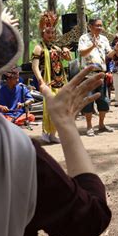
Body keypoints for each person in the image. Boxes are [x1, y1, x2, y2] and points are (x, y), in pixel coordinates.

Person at [0, 0, 111, 236]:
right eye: (48, 28)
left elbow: (67, 48)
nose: (51, 31)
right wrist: (64, 121)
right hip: (49, 82)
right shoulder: (10, 155)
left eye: (53, 27)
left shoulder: (58, 45)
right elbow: (89, 219)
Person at [32, 11, 71, 143]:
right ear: (43, 33)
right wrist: (41, 81)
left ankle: (53, 134)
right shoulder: (39, 48)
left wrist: (66, 52)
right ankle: (46, 132)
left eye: (53, 33)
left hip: (60, 82)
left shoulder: (56, 47)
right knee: (48, 109)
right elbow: (35, 67)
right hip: (48, 82)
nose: (51, 35)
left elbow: (68, 58)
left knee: (59, 108)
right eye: (48, 33)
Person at [78, 17, 115, 136]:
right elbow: (82, 53)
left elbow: (109, 54)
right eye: (97, 25)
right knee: (88, 100)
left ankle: (101, 125)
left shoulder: (104, 39)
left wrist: (117, 49)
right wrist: (92, 46)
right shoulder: (84, 38)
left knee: (103, 100)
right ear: (90, 26)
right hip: (88, 75)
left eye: (101, 25)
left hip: (101, 75)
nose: (100, 28)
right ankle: (89, 126)